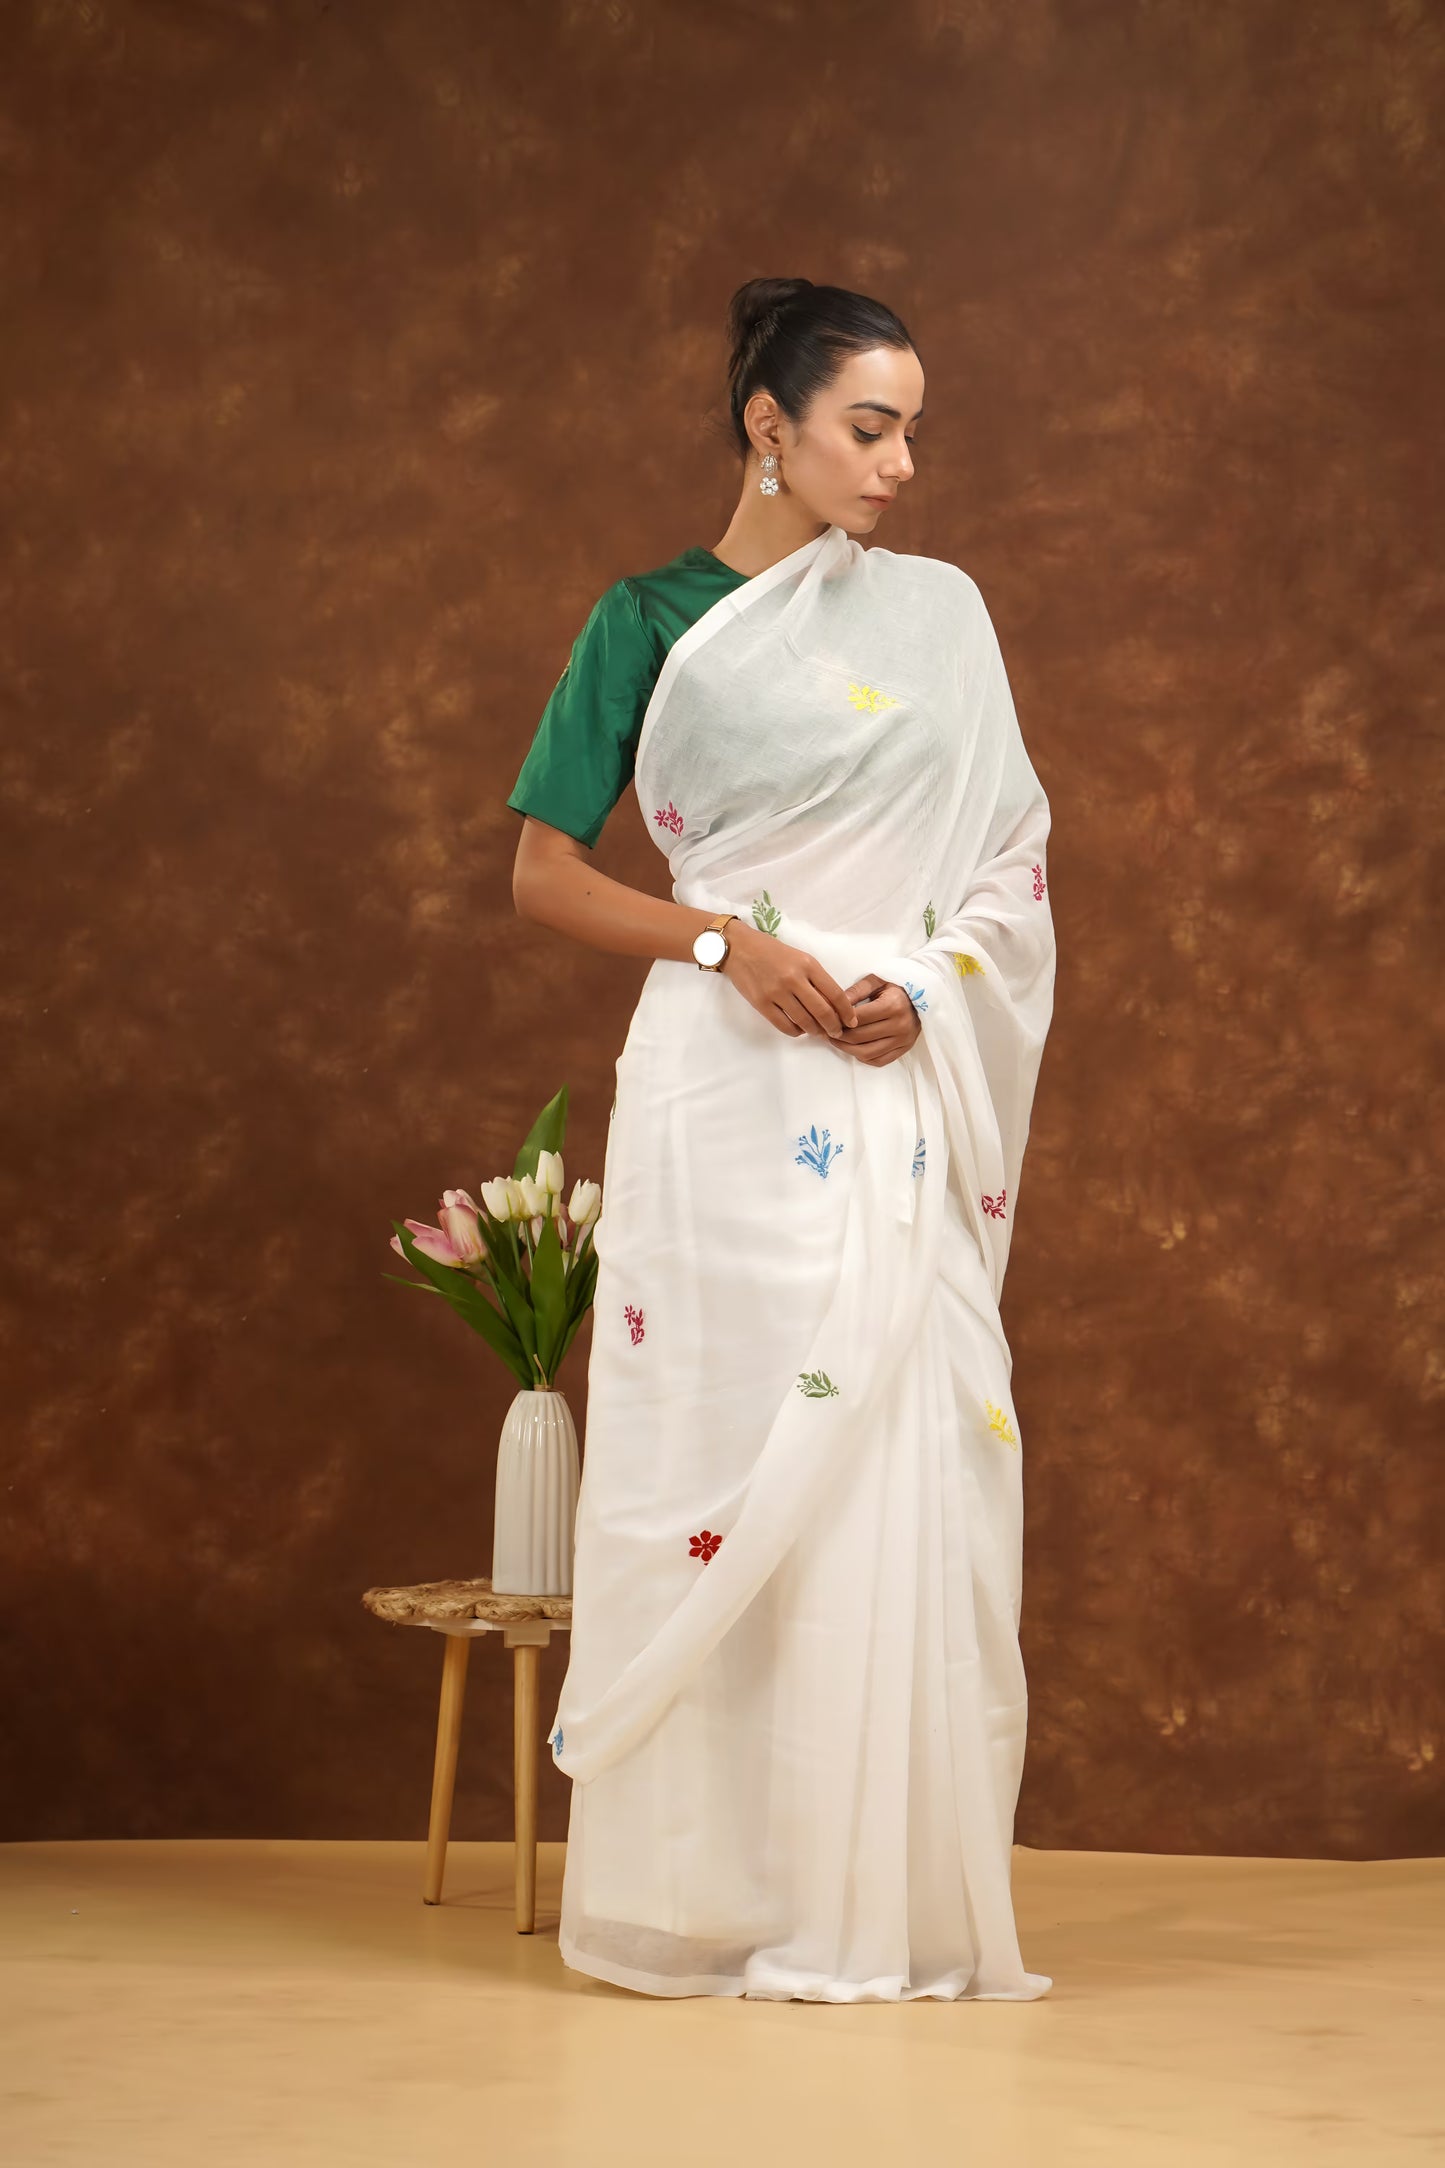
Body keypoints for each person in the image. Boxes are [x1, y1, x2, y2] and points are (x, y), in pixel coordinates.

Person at [506, 277, 1056, 2003]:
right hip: (724, 1092)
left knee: (906, 1462)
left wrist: (933, 980)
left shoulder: (940, 617)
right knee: (717, 1463)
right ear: (771, 426)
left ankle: (873, 1898)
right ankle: (706, 1897)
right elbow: (543, 873)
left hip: (893, 1080)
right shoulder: (651, 619)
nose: (899, 465)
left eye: (910, 431)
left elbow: (1008, 861)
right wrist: (727, 946)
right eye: (866, 427)